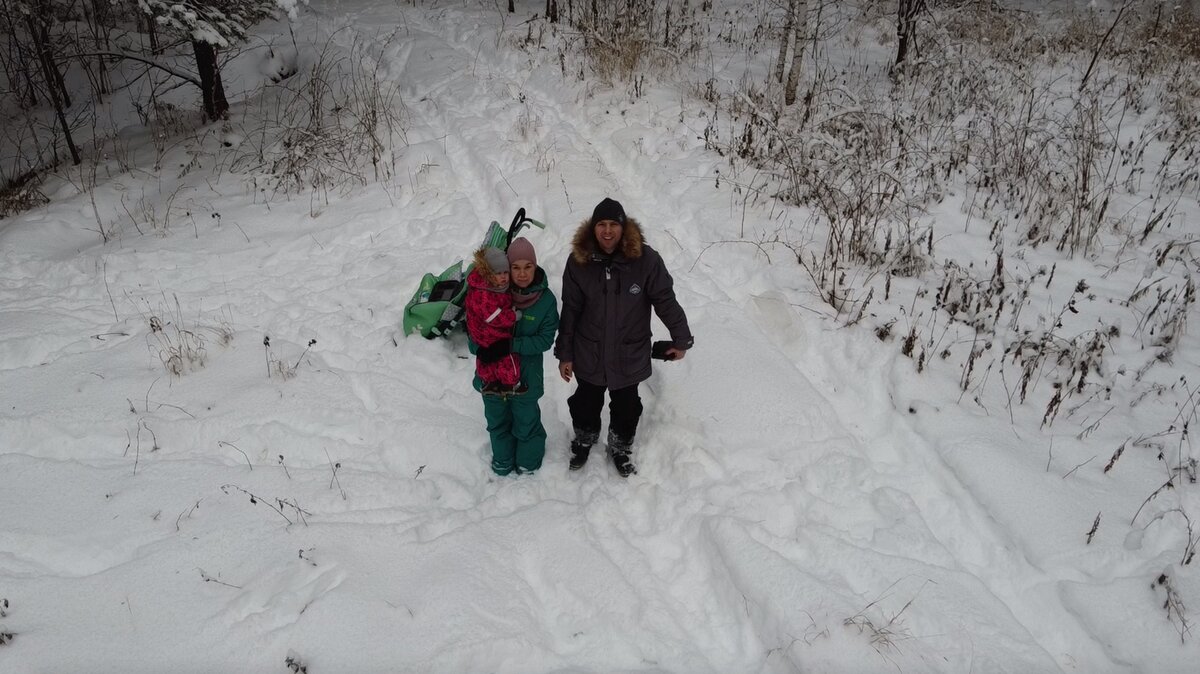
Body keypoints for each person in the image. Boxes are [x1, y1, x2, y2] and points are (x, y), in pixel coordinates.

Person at [554, 198, 693, 477]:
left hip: (628, 351)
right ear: (593, 228)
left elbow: (664, 300)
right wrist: (565, 353)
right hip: (589, 349)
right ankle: (584, 437)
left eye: (614, 225)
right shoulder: (579, 262)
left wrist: (681, 338)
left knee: (627, 406)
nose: (607, 231)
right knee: (586, 401)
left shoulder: (645, 260)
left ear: (623, 226)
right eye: (602, 225)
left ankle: (620, 445)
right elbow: (570, 308)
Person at [470, 238, 560, 475]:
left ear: (535, 267)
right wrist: (479, 345)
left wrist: (510, 345)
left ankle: (528, 466)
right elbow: (473, 327)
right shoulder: (492, 294)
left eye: (527, 267)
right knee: (497, 422)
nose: (521, 274)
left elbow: (545, 340)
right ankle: (502, 461)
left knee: (526, 424)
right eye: (515, 268)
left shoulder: (546, 301)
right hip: (491, 377)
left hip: (526, 379)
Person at [465, 246, 522, 395]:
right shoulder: (483, 293)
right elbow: (494, 317)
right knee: (506, 358)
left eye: (505, 272)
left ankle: (490, 382)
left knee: (488, 359)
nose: (503, 277)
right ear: (488, 274)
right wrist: (513, 316)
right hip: (488, 333)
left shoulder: (493, 286)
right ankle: (510, 384)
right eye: (498, 273)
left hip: (483, 334)